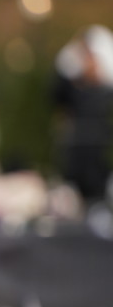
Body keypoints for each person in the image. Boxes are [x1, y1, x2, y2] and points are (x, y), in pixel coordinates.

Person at [53, 25, 113, 207]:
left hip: (100, 163)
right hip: (78, 158)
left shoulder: (107, 95)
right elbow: (57, 89)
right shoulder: (76, 91)